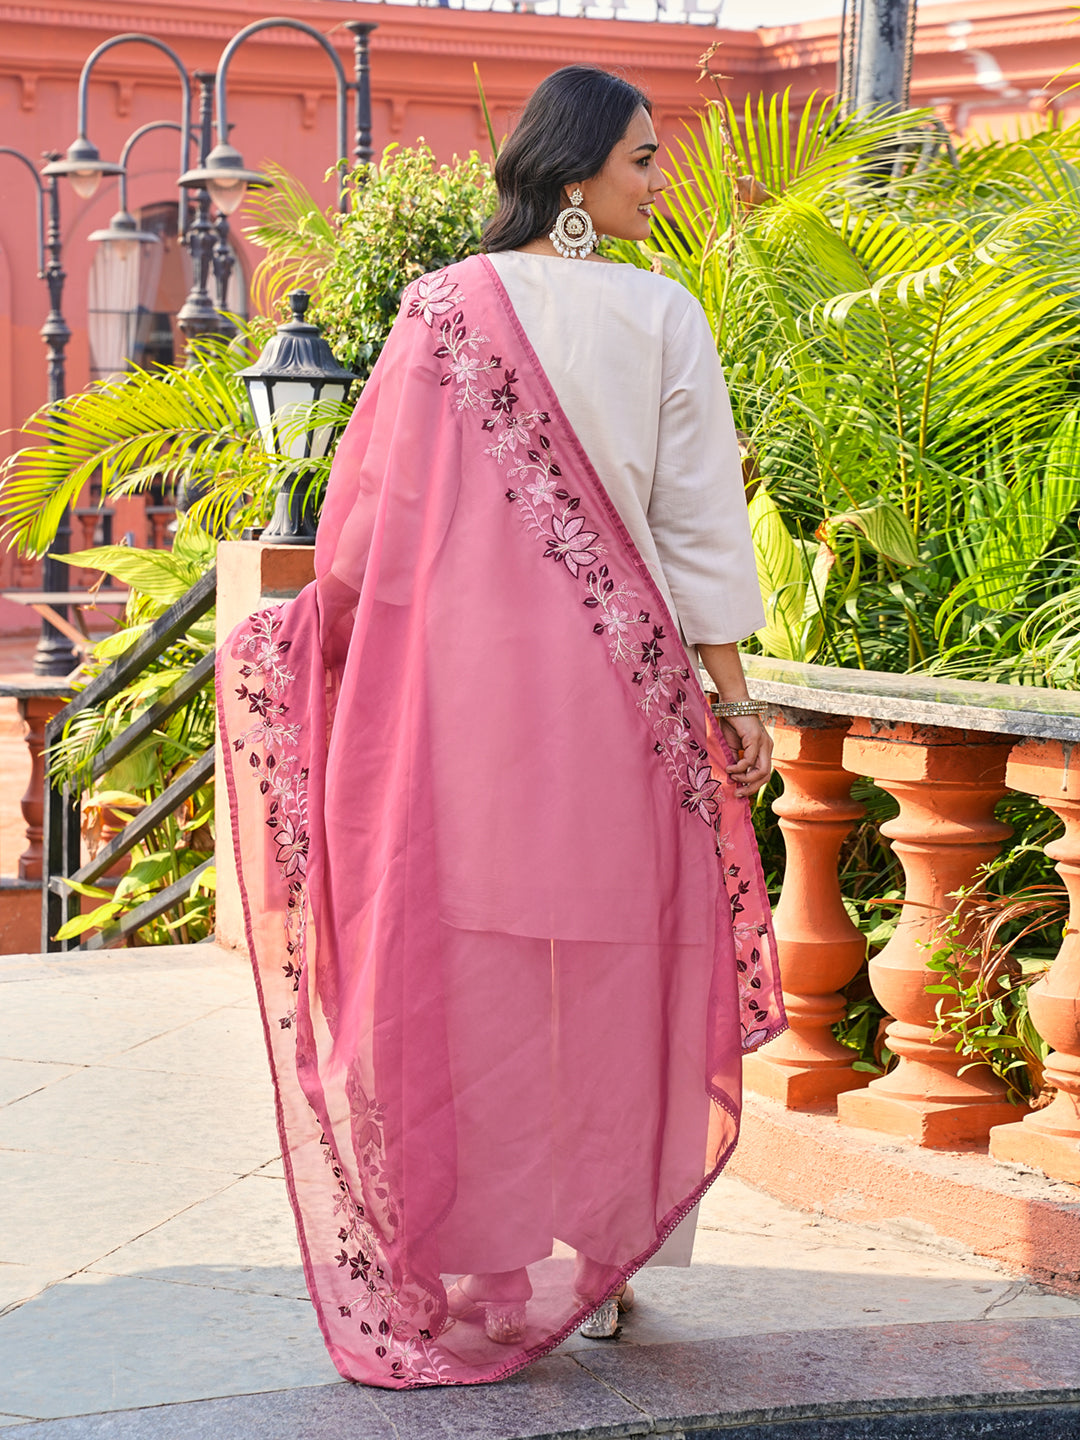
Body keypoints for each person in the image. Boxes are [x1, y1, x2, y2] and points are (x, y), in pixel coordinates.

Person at [217, 64, 784, 1391]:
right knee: (612, 966)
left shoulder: (441, 310)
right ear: (577, 170)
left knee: (471, 970)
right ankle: (606, 1262)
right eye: (643, 159)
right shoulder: (660, 315)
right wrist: (734, 694)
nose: (660, 182)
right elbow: (700, 525)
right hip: (620, 702)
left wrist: (311, 641)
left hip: (461, 715)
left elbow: (370, 526)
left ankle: (484, 1268)